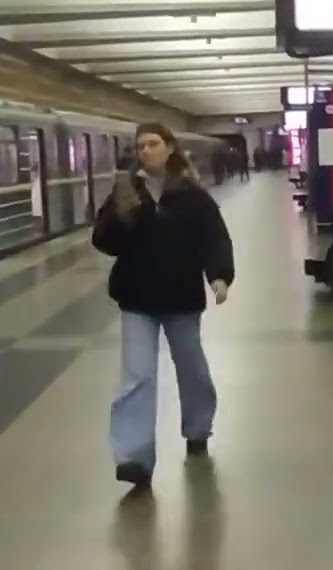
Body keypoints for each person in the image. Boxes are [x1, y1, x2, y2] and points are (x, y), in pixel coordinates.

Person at [92, 122, 235, 491]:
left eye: (153, 144)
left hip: (181, 296)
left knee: (191, 367)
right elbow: (103, 241)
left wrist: (219, 275)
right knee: (137, 376)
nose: (145, 151)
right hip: (137, 297)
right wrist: (122, 215)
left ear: (170, 148)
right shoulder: (127, 191)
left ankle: (198, 427)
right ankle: (134, 458)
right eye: (140, 146)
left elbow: (214, 237)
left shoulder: (191, 195)